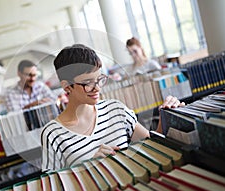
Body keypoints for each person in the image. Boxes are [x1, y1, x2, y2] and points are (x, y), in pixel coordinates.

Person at [41, 44, 185, 171]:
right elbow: (54, 189)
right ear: (67, 87)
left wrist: (166, 117)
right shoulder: (53, 135)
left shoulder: (116, 110)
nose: (97, 88)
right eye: (88, 83)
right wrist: (87, 170)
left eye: (99, 79)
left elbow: (151, 147)